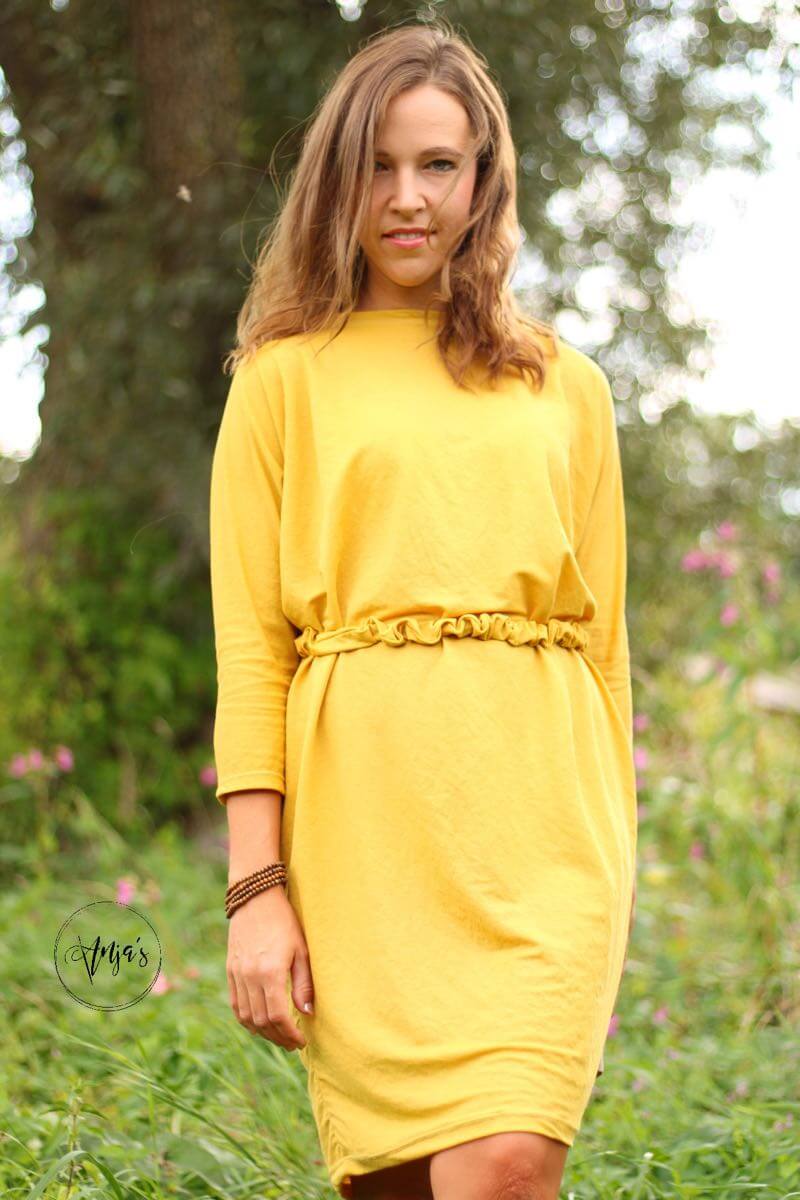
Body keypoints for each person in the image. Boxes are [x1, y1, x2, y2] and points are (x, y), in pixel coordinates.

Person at [208, 18, 638, 1200]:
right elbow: (252, 653)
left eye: (438, 164)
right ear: (336, 180)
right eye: (379, 166)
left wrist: (614, 860)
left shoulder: (566, 387)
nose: (407, 198)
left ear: (483, 179)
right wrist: (256, 891)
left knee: (504, 1159)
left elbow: (604, 654)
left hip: (545, 846)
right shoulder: (280, 380)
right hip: (364, 851)